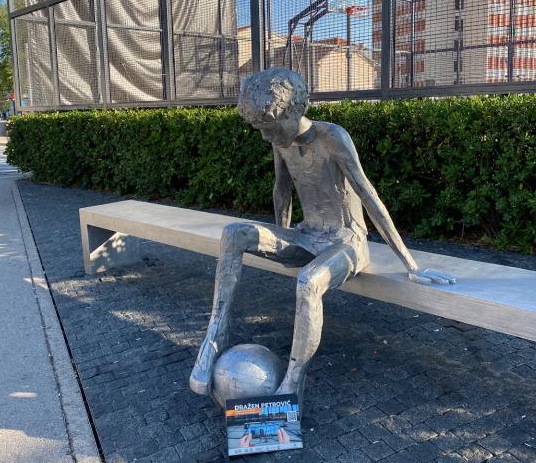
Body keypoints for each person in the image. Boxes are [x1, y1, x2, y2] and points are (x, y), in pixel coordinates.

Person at [189, 68, 455, 401]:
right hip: (307, 234)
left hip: (347, 242)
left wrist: (410, 265)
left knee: (308, 282)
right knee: (234, 233)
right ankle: (214, 337)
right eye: (260, 130)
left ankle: (292, 384)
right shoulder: (282, 142)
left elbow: (369, 196)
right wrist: (279, 235)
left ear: (292, 110)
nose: (266, 137)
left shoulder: (333, 137)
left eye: (269, 128)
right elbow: (281, 191)